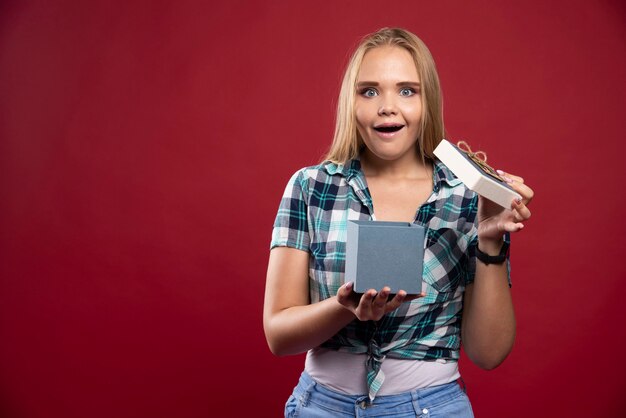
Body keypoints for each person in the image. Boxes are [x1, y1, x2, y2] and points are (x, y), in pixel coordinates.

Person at [264, 27, 533, 417]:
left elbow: (489, 354)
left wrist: (490, 244)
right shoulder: (311, 187)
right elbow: (278, 335)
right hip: (322, 406)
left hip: (432, 407)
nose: (387, 106)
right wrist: (345, 308)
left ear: (429, 102)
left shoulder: (469, 196)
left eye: (407, 90)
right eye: (369, 91)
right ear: (350, 103)